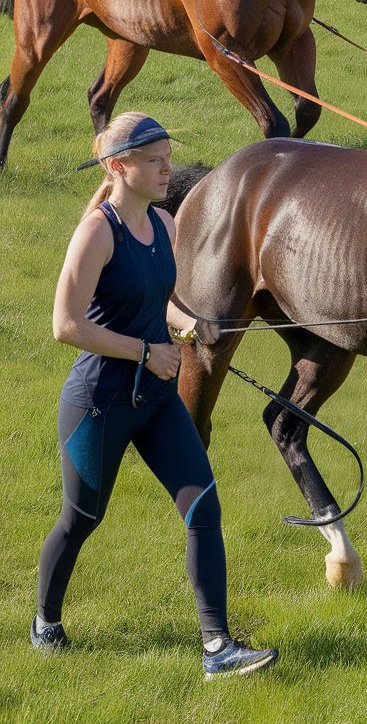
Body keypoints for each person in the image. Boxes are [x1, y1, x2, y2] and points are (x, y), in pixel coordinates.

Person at [31, 112, 278, 680]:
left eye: (168, 155)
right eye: (153, 160)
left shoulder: (164, 224)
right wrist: (145, 352)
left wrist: (186, 324)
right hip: (100, 402)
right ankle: (45, 621)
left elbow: (156, 299)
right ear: (117, 167)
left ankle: (217, 648)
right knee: (81, 518)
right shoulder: (97, 232)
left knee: (203, 508)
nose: (168, 168)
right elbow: (65, 326)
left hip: (157, 399)